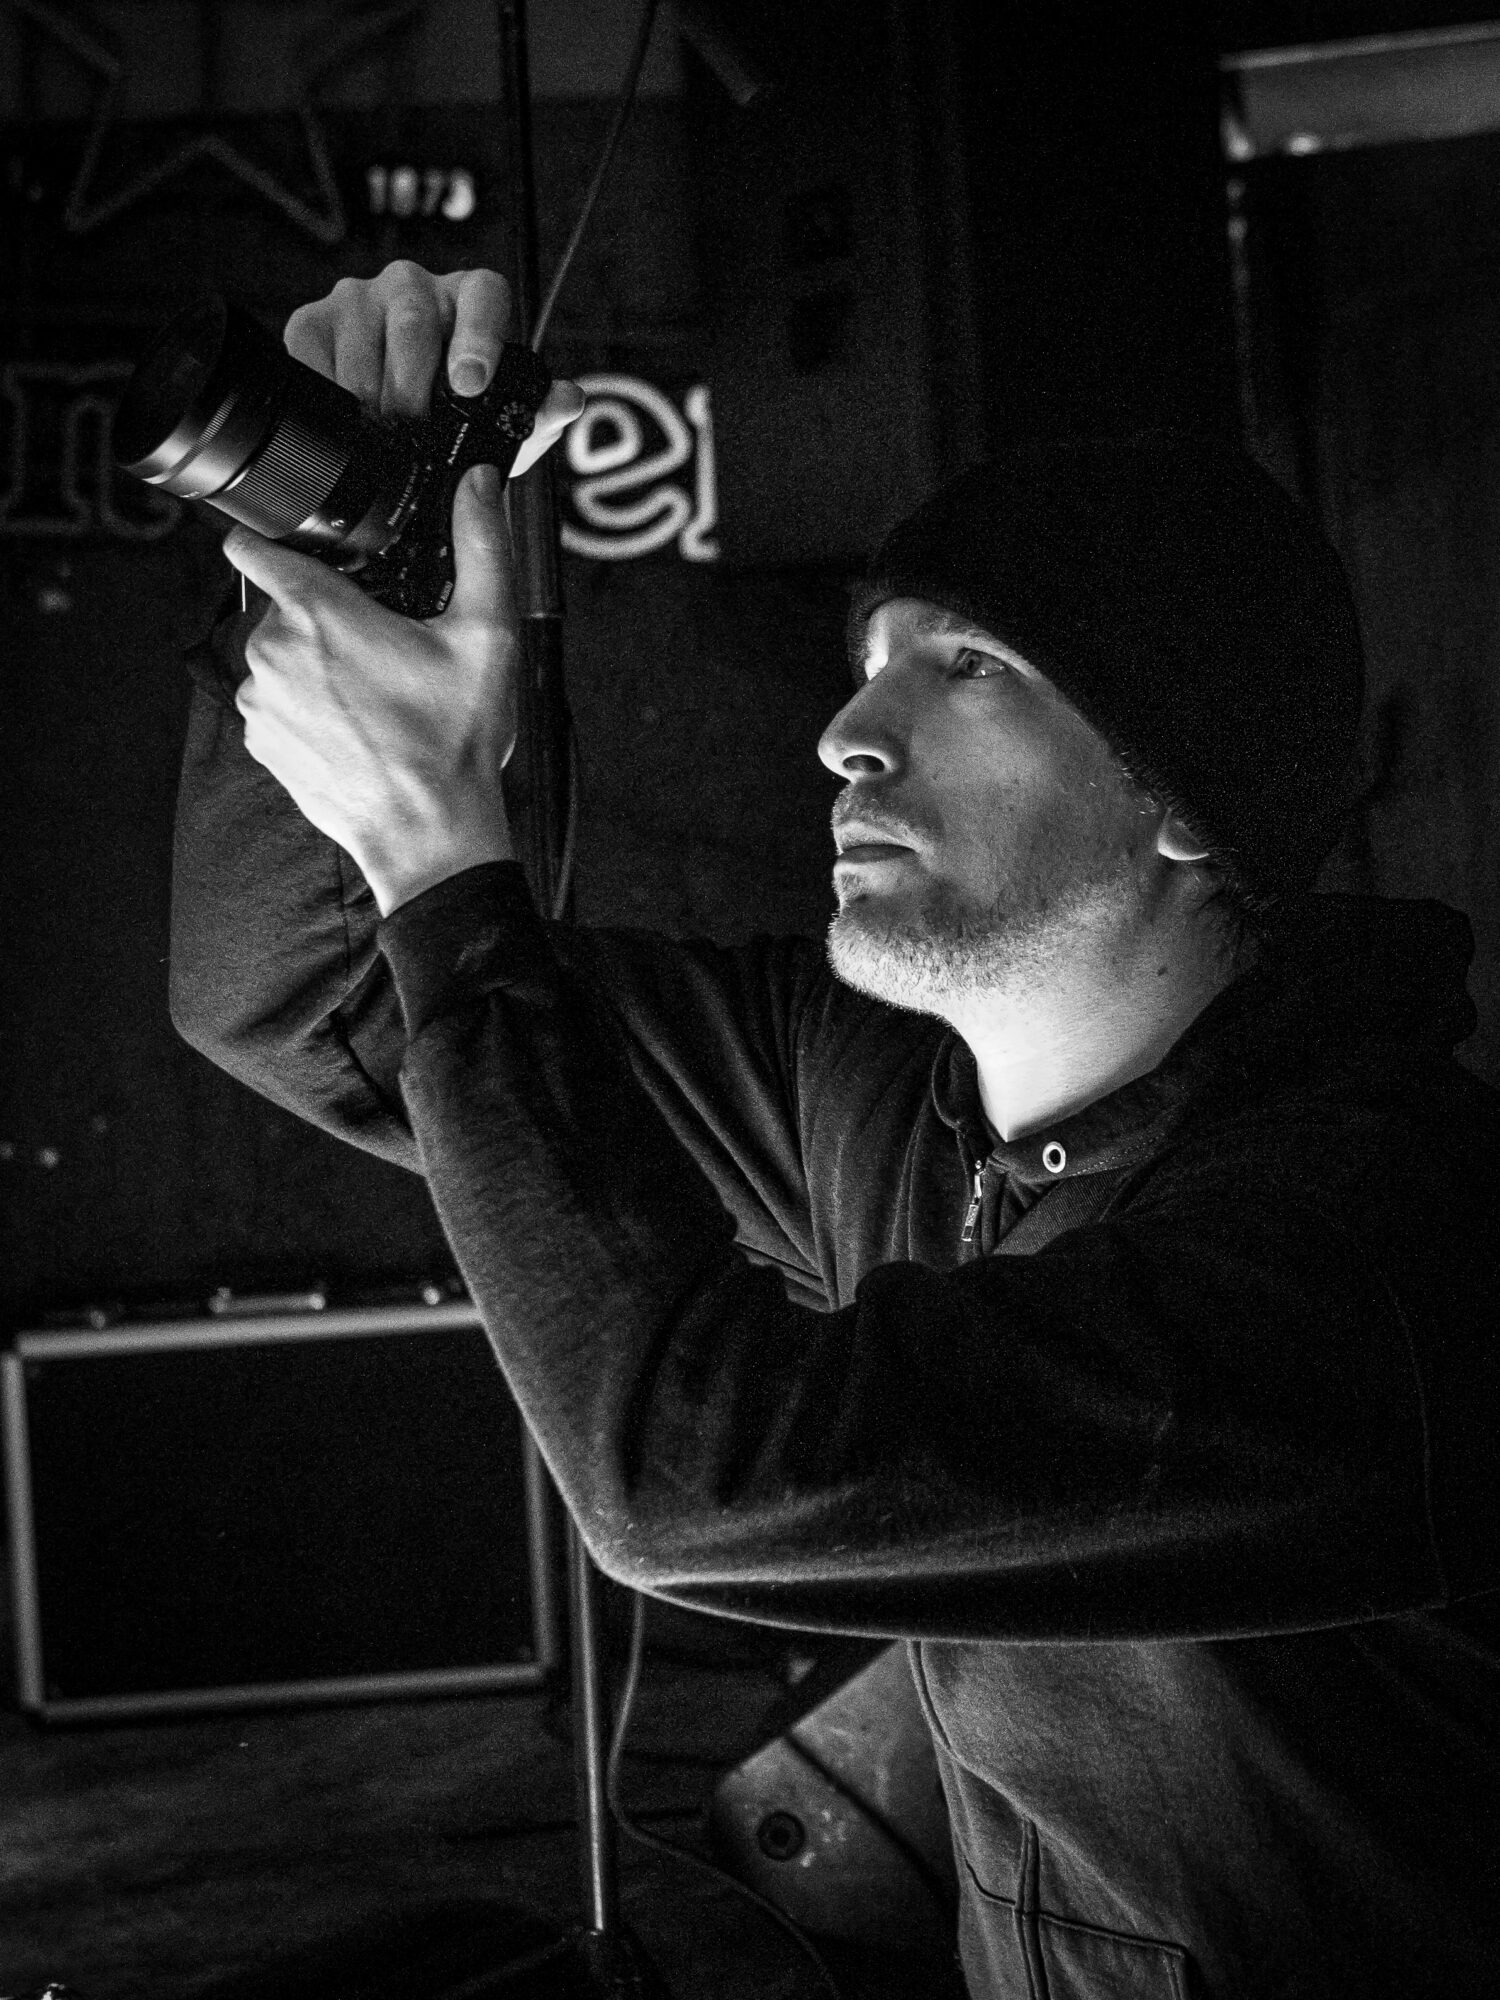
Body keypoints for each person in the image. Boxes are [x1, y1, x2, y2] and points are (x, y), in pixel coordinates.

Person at [170, 260, 1500, 2000]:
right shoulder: (867, 1090)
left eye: (969, 666)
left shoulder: (1383, 1251)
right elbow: (304, 998)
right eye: (870, 664)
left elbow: (697, 1483)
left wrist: (441, 851)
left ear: (1185, 796)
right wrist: (351, 560)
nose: (849, 735)